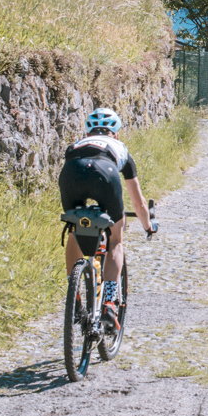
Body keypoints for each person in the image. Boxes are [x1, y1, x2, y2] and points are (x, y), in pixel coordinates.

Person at [58, 106, 155, 331]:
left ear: (88, 132)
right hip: (105, 173)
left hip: (72, 170)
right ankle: (109, 304)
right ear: (116, 134)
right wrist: (148, 226)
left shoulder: (76, 145)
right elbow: (139, 203)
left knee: (74, 229)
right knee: (115, 241)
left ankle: (75, 298)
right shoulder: (120, 149)